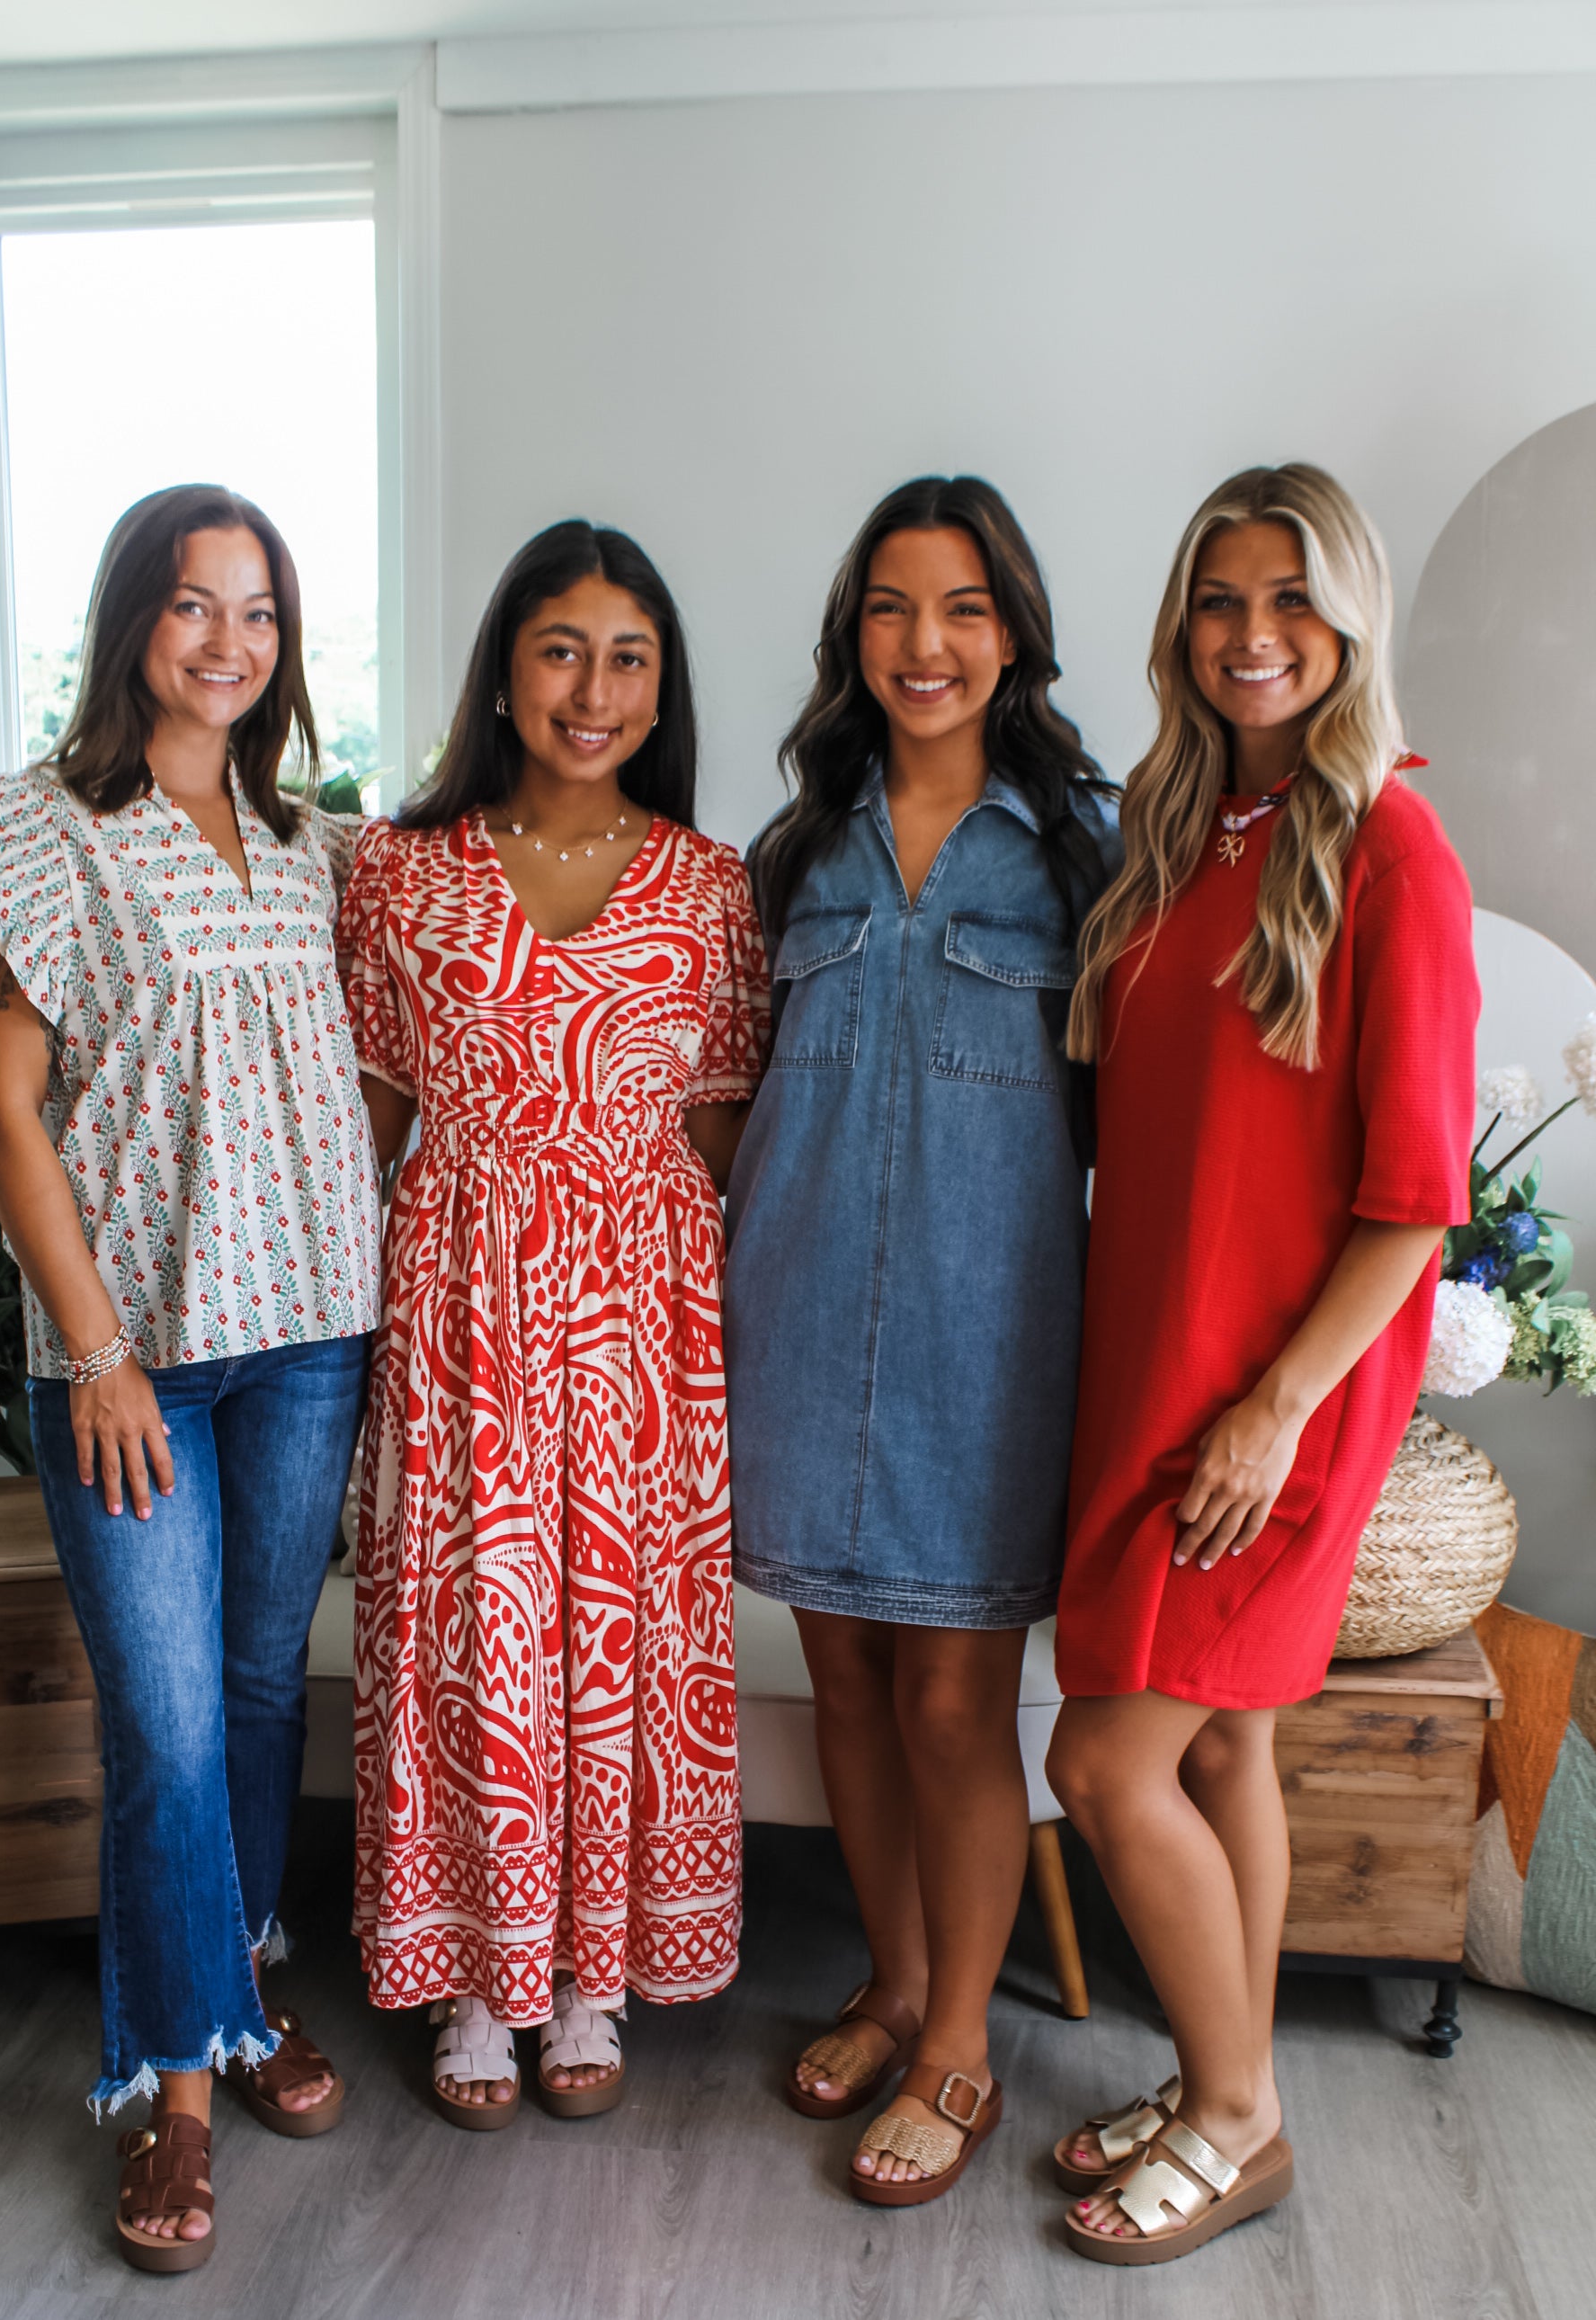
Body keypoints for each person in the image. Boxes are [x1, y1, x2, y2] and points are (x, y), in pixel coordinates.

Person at [0, 485, 378, 2276]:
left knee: (261, 1690)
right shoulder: (37, 835)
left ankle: (242, 1991)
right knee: (169, 1725)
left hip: (310, 1340)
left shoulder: (315, 845)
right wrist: (101, 1355)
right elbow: (0, 1111)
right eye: (194, 604)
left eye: (257, 612)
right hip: (134, 1369)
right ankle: (179, 2089)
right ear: (133, 620)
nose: (227, 642)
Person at [1046, 463, 1477, 2267]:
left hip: (1270, 1404)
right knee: (1222, 1746)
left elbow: (1416, 1202)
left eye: (1291, 598)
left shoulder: (1392, 846)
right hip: (1157, 1368)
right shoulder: (1179, 832)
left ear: (1348, 620)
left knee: (1103, 1765)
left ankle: (1235, 2121)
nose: (1251, 634)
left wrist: (1274, 1410)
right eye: (1219, 598)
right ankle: (1227, 2083)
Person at [337, 519, 767, 2128]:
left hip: (643, 1329)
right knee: (472, 1635)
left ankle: (595, 1976)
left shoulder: (713, 887)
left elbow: (724, 1138)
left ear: (664, 684)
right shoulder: (400, 875)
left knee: (622, 1637)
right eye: (563, 651)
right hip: (458, 1309)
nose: (595, 692)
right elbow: (368, 1126)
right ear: (505, 670)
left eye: (629, 657)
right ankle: (475, 1978)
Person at [724, 476, 1119, 2208]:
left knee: (958, 1698)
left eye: (962, 607)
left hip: (991, 1330)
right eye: (890, 607)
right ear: (853, 634)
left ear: (1013, 631)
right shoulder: (797, 851)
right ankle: (891, 1985)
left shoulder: (1088, 850)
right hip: (799, 1316)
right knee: (849, 1682)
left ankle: (960, 2042)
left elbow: (1139, 1119)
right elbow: (733, 1100)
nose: (925, 643)